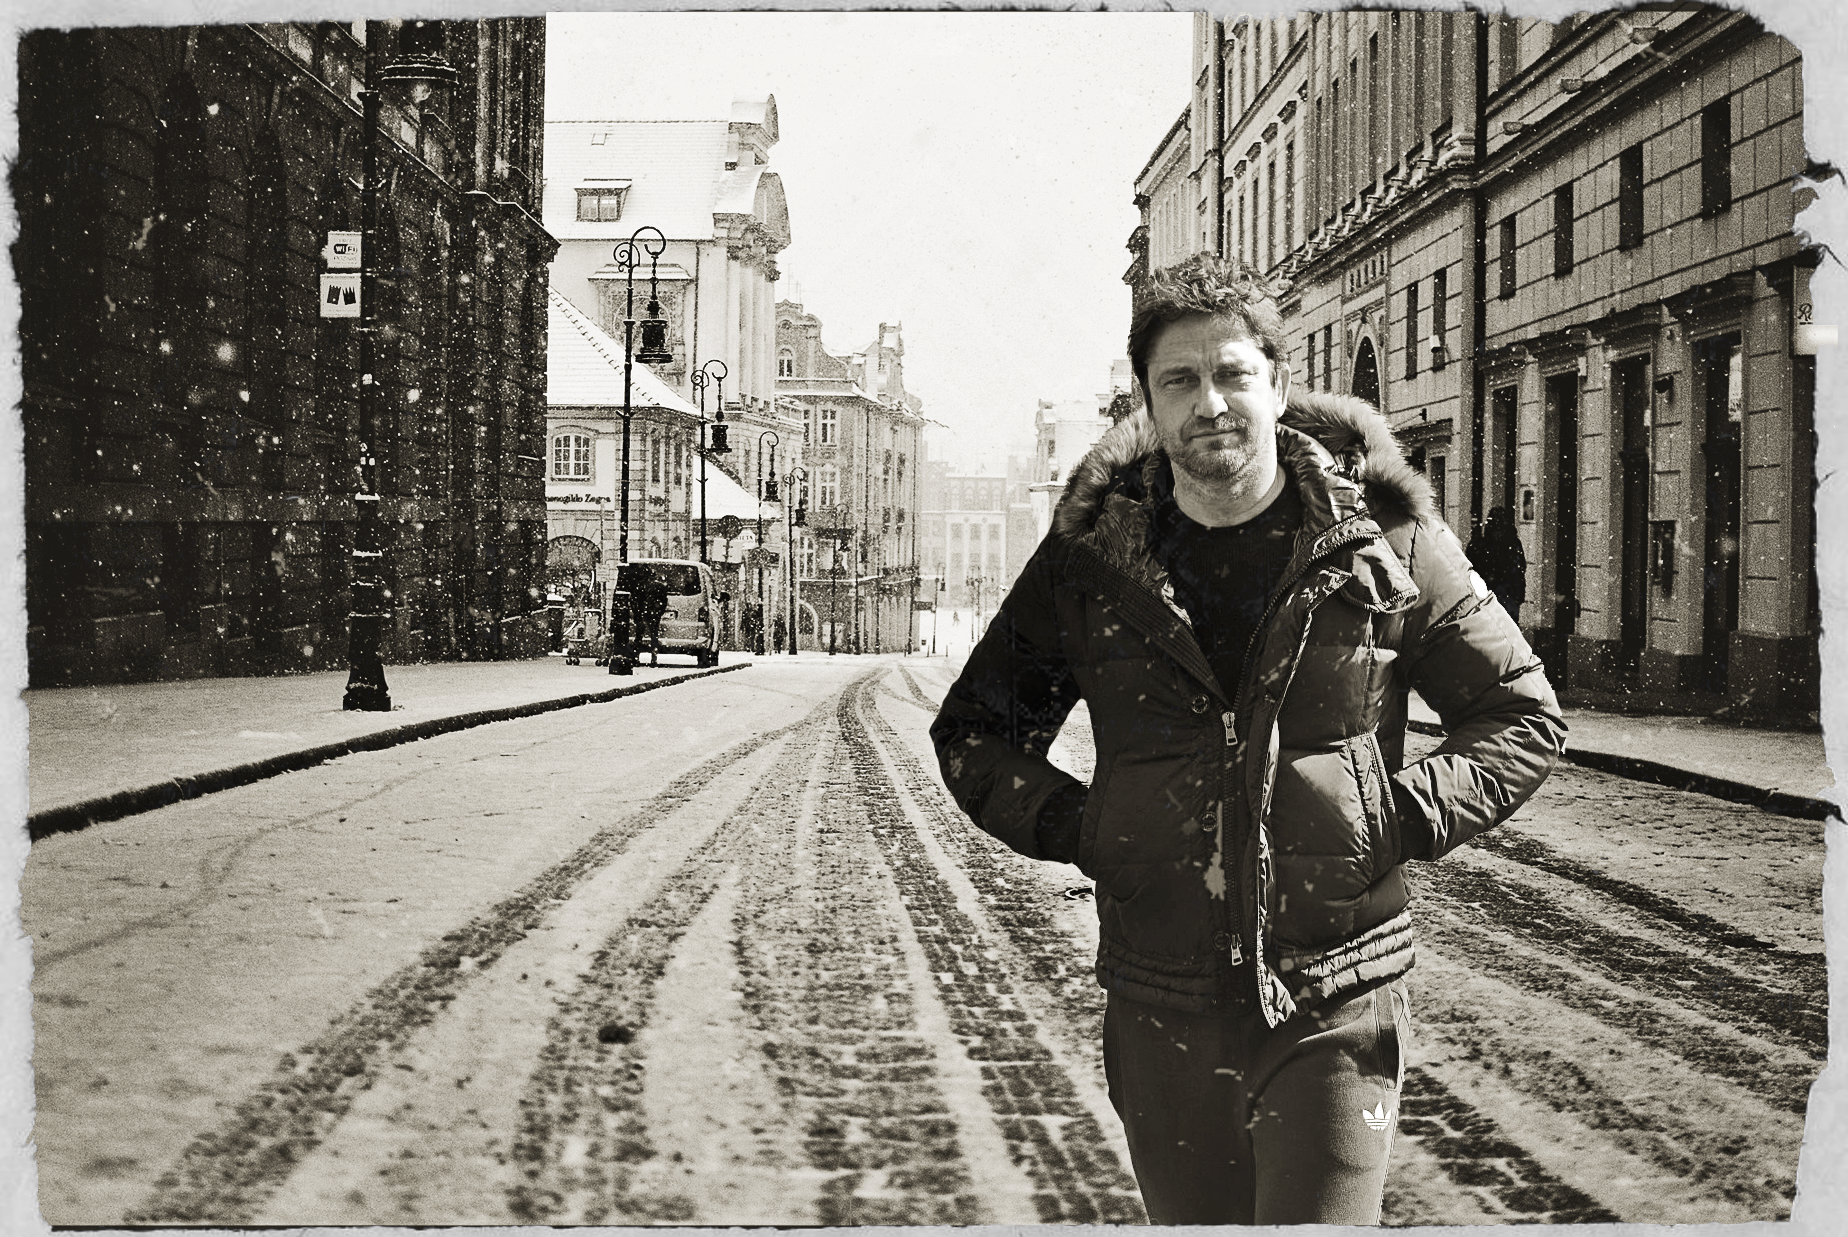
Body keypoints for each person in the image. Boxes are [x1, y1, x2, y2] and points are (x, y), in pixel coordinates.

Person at [931, 255, 1564, 1226]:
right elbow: (975, 733)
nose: (1210, 403)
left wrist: (1392, 816)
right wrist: (1085, 826)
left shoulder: (1382, 538)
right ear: (1148, 402)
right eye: (1180, 381)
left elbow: (1521, 711)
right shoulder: (1092, 563)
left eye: (1232, 373)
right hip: (1161, 1005)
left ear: (1277, 379)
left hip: (1336, 998)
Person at [1468, 504, 1529, 624]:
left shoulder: (1480, 545)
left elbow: (1473, 571)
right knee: (1508, 625)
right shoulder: (1512, 544)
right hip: (1507, 594)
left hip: (1490, 595)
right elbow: (1519, 568)